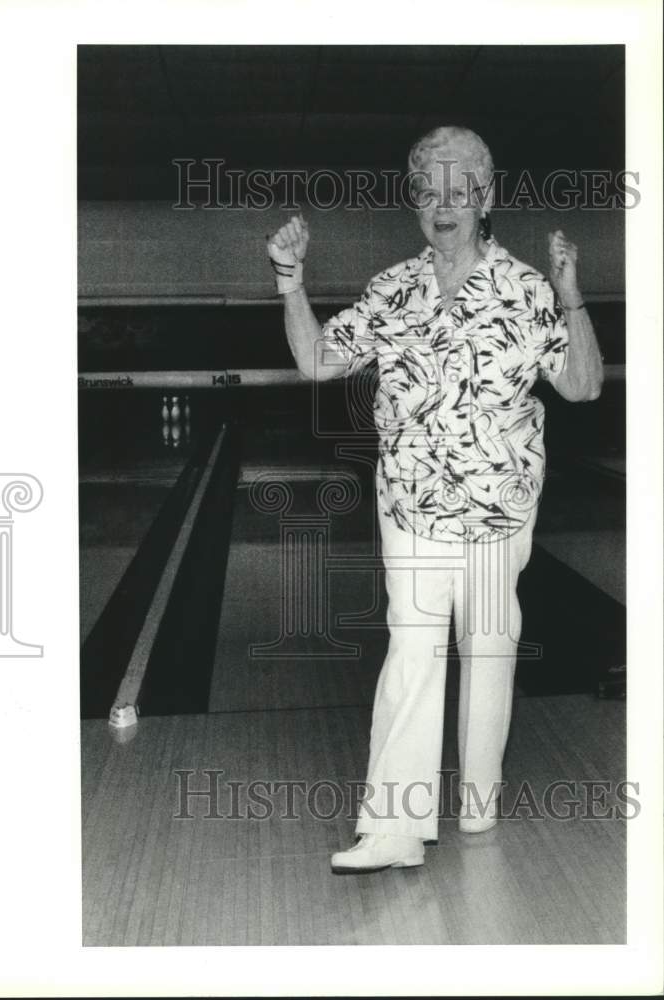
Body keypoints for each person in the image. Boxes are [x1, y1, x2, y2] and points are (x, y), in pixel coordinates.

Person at [266, 125, 604, 874]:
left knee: (488, 649)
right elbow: (318, 361)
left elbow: (581, 385)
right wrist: (291, 284)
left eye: (460, 189)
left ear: (486, 198)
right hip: (411, 504)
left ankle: (478, 800)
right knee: (412, 648)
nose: (443, 203)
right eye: (428, 189)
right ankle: (392, 827)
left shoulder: (524, 290)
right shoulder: (393, 289)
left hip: (496, 508)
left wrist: (572, 297)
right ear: (414, 200)